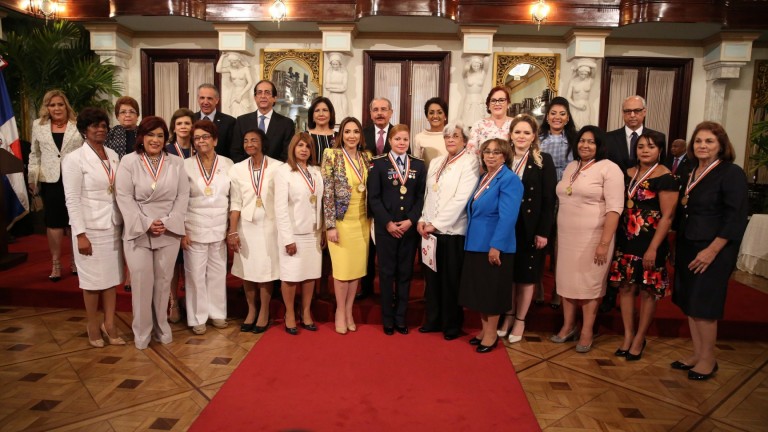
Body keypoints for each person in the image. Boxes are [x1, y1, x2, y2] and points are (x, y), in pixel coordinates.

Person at [671, 121, 748, 380]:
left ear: (721, 145)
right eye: (698, 141)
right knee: (690, 303)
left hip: (712, 249)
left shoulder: (730, 173)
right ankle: (697, 353)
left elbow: (735, 216)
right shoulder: (691, 170)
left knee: (704, 305)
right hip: (688, 245)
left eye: (709, 141)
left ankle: (708, 359)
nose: (702, 146)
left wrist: (713, 250)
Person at [115, 116, 190, 350]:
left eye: (160, 135)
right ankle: (142, 332)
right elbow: (123, 197)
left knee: (163, 282)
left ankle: (161, 327)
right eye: (150, 135)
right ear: (141, 137)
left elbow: (182, 196)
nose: (155, 140)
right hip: (139, 230)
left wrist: (167, 221)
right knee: (141, 282)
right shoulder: (129, 162)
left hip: (168, 229)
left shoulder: (177, 163)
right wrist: (147, 222)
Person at [551, 126, 624, 353]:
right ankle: (568, 325)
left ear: (600, 145)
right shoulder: (572, 167)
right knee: (566, 283)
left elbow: (615, 209)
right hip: (566, 237)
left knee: (589, 285)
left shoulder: (609, 169)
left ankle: (587, 331)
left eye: (591, 142)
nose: (585, 145)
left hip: (594, 239)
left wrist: (604, 243)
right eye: (582, 141)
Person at [609, 131, 678, 360]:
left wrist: (654, 248)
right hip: (626, 239)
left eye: (650, 146)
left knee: (648, 291)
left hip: (651, 241)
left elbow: (667, 217)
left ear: (660, 150)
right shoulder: (627, 173)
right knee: (626, 288)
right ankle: (628, 335)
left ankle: (640, 337)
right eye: (640, 146)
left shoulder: (666, 176)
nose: (645, 150)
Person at [62, 107, 125, 348]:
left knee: (110, 280)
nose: (100, 129)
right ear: (84, 130)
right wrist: (80, 234)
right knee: (91, 282)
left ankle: (109, 323)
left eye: (103, 125)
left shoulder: (113, 154)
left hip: (113, 225)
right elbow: (72, 199)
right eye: (94, 126)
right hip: (89, 229)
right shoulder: (74, 159)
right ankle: (92, 323)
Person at [603, 95, 667, 313]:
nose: (632, 115)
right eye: (627, 111)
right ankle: (609, 300)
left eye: (636, 111)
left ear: (644, 112)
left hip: (648, 217)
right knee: (618, 265)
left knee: (645, 277)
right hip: (619, 210)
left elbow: (662, 174)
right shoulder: (609, 138)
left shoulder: (657, 138)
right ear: (622, 113)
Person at [459, 138, 523, 353]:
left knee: (492, 292)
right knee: (480, 291)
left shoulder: (509, 179)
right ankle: (485, 329)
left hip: (494, 245)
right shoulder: (483, 177)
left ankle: (491, 333)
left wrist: (496, 246)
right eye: (487, 151)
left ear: (505, 155)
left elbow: (508, 217)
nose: (491, 155)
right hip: (476, 242)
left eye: (496, 152)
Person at [497, 114, 557, 343]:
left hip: (531, 228)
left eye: (526, 133)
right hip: (507, 227)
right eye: (517, 132)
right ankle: (509, 315)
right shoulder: (504, 158)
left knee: (527, 275)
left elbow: (549, 199)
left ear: (534, 137)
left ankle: (520, 320)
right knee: (509, 275)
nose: (521, 136)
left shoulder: (544, 160)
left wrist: (544, 232)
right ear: (510, 135)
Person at [417, 121, 479, 340]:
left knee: (451, 281)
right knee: (431, 281)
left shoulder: (470, 162)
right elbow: (428, 194)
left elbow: (461, 199)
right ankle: (433, 320)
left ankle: (451, 325)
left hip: (453, 232)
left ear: (464, 140)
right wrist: (423, 219)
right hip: (430, 232)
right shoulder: (436, 162)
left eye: (455, 136)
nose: (450, 140)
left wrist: (437, 223)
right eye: (447, 137)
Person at [368, 124, 427, 335]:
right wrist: (388, 223)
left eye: (405, 139)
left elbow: (421, 196)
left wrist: (411, 220)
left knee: (405, 273)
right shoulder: (378, 164)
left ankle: (401, 318)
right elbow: (373, 198)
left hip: (409, 229)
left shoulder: (419, 165)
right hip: (387, 229)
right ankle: (387, 319)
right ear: (390, 141)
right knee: (386, 273)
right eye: (397, 139)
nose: (401, 143)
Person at [227, 128, 284, 333]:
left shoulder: (278, 167)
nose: (249, 144)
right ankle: (251, 310)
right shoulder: (237, 169)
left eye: (254, 140)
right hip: (246, 226)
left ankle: (264, 311)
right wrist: (232, 231)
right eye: (245, 141)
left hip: (270, 226)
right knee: (248, 271)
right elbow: (235, 202)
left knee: (266, 271)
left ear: (262, 143)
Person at [181, 120, 234, 335]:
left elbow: (233, 198)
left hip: (220, 227)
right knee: (195, 274)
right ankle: (197, 317)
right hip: (194, 227)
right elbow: (180, 200)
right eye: (197, 138)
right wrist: (182, 231)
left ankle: (218, 313)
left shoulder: (228, 164)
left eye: (205, 137)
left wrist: (232, 227)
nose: (201, 141)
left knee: (218, 272)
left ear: (215, 140)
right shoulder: (185, 165)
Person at [321, 117, 371, 334]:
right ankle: (340, 312)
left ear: (361, 136)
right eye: (348, 132)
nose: (352, 136)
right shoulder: (331, 155)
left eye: (356, 132)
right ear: (341, 135)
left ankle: (349, 310)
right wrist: (329, 225)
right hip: (341, 222)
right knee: (342, 272)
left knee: (357, 271)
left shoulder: (367, 157)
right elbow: (327, 192)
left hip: (362, 221)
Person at [28, 89, 84, 282]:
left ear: (65, 105)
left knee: (74, 221)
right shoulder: (38, 125)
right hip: (50, 180)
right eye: (52, 105)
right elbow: (34, 154)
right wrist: (32, 178)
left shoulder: (77, 125)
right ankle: (56, 262)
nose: (57, 108)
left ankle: (77, 261)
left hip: (76, 179)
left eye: (60, 104)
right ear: (47, 107)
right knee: (54, 222)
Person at [274, 132, 324, 335]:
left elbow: (320, 204)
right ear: (293, 147)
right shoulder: (283, 172)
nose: (304, 149)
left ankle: (306, 313)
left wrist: (321, 231)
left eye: (308, 146)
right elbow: (280, 208)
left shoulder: (316, 172)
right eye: (300, 145)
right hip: (293, 234)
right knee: (291, 276)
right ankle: (289, 314)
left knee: (310, 276)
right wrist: (287, 238)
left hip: (312, 232)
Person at [535, 96, 578, 308]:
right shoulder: (538, 138)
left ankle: (558, 291)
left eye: (562, 114)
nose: (557, 117)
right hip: (542, 193)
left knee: (561, 246)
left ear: (568, 117)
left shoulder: (574, 140)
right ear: (547, 116)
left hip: (565, 196)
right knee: (540, 242)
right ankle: (539, 287)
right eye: (553, 113)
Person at [360, 97, 395, 300]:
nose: (380, 113)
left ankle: (387, 291)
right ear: (370, 113)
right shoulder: (362, 135)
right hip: (365, 198)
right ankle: (366, 288)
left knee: (387, 250)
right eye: (376, 110)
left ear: (391, 112)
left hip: (391, 201)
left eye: (384, 109)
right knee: (367, 248)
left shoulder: (399, 134)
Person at [165, 107, 196, 324]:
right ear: (173, 128)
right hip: (172, 210)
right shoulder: (167, 150)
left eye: (187, 123)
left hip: (195, 210)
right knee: (173, 261)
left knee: (191, 259)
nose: (184, 127)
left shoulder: (200, 147)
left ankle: (192, 302)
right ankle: (173, 301)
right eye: (179, 124)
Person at [231, 80, 295, 163]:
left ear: (274, 98)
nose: (263, 96)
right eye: (259, 92)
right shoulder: (242, 121)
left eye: (267, 93)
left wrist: (271, 170)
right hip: (247, 172)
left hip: (275, 172)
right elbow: (235, 151)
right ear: (255, 97)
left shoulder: (286, 123)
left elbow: (287, 153)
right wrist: (249, 169)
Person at [467, 86, 514, 155]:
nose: (497, 103)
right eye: (493, 100)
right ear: (488, 105)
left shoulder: (515, 124)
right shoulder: (478, 125)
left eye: (501, 100)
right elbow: (470, 153)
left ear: (508, 104)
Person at [194, 83, 236, 160]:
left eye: (209, 98)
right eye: (202, 98)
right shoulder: (191, 120)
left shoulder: (230, 122)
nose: (205, 102)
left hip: (221, 167)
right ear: (198, 99)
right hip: (194, 167)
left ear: (217, 100)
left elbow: (233, 151)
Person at [216, 52, 255, 118]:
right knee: (234, 114)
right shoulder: (231, 69)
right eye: (231, 63)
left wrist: (241, 95)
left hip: (243, 94)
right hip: (234, 94)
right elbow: (218, 70)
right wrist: (222, 57)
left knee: (244, 114)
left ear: (239, 60)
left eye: (234, 62)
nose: (233, 64)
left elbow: (250, 83)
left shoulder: (245, 69)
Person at [412, 97, 449, 168]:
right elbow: (416, 166)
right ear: (427, 116)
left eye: (439, 112)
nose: (435, 116)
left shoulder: (451, 136)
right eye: (431, 113)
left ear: (445, 116)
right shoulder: (419, 137)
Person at [565, 59, 596, 130]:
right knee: (575, 126)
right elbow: (568, 97)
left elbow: (595, 67)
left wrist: (581, 64)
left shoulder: (590, 80)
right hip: (575, 106)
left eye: (585, 74)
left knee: (586, 125)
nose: (583, 76)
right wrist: (577, 106)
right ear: (578, 72)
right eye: (582, 74)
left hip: (585, 106)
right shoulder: (573, 82)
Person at [460, 55, 489, 128]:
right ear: (471, 65)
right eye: (474, 65)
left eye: (477, 65)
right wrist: (469, 61)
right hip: (469, 98)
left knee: (481, 122)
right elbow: (465, 68)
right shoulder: (467, 74)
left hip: (479, 98)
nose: (476, 67)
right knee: (465, 122)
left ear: (480, 65)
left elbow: (487, 59)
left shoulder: (483, 73)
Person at [307, 96, 336, 164]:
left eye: (325, 110)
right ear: (312, 115)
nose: (321, 114)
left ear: (331, 114)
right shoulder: (305, 136)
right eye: (317, 111)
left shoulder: (340, 137)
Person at [324, 53, 349, 120]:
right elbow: (326, 86)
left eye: (336, 64)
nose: (335, 66)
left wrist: (331, 87)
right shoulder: (329, 72)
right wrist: (339, 87)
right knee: (332, 115)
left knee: (343, 115)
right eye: (333, 64)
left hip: (341, 97)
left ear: (339, 63)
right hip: (332, 97)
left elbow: (344, 88)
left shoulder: (344, 72)